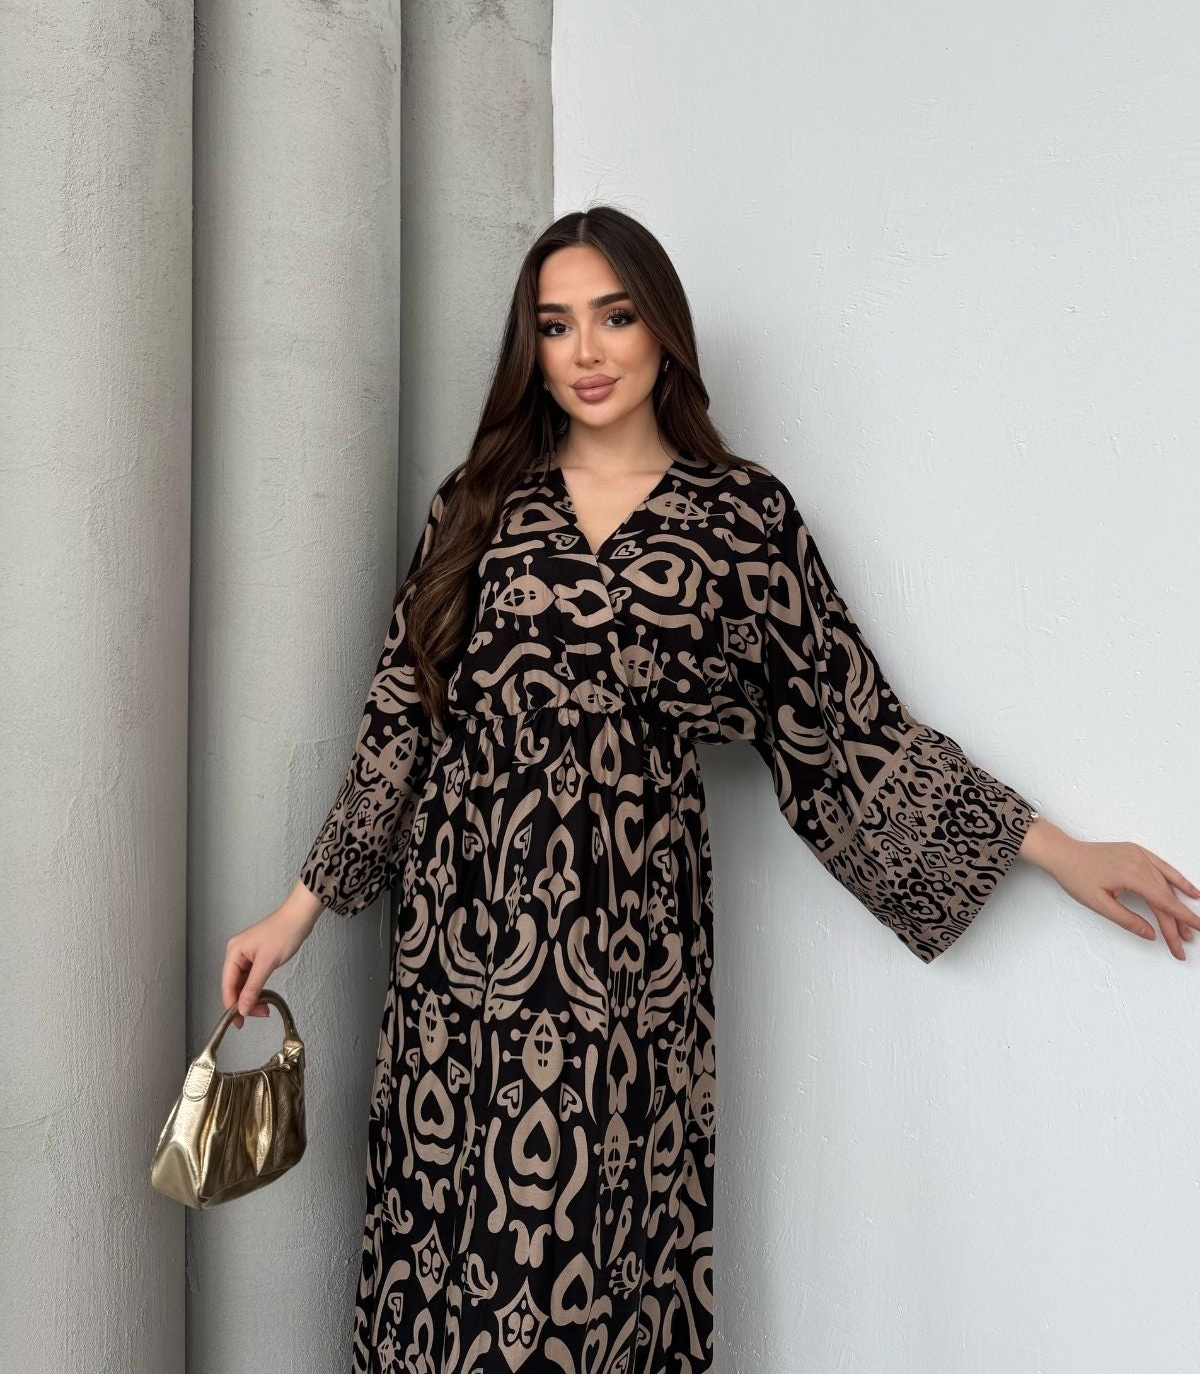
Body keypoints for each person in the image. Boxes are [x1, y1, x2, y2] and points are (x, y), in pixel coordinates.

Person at [223, 205, 1199, 1374]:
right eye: (555, 326)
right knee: (452, 1261)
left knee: (596, 1266)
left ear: (663, 331)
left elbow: (846, 729)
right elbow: (399, 722)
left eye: (615, 317)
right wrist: (294, 915)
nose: (586, 352)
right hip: (461, 955)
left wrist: (1060, 850)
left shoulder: (743, 519)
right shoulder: (476, 504)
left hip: (629, 958)